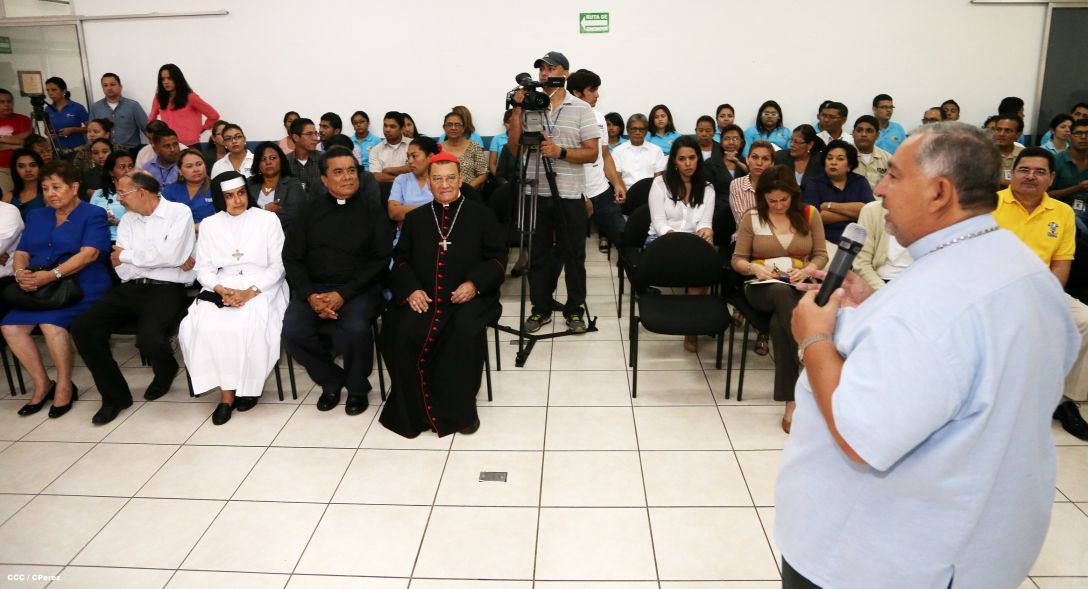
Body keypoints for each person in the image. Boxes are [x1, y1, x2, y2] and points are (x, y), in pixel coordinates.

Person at [778, 121, 1078, 589]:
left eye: (894, 175)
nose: (879, 188)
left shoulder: (933, 302)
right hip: (984, 541)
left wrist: (814, 339)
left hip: (879, 557)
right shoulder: (1022, 268)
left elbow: (861, 435)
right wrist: (874, 307)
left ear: (939, 192)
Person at [379, 153, 507, 437]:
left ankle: (461, 410)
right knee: (400, 330)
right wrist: (411, 289)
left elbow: (498, 258)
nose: (445, 184)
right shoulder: (416, 219)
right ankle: (412, 409)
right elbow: (401, 260)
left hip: (469, 297)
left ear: (460, 179)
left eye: (450, 178)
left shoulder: (482, 215)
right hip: (423, 296)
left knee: (462, 330)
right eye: (437, 179)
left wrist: (474, 283)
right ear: (430, 183)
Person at [72, 171, 196, 425]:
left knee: (149, 339)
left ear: (142, 192)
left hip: (167, 288)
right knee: (83, 327)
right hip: (131, 287)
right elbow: (121, 266)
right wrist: (153, 259)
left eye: (123, 194)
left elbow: (169, 256)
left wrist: (131, 256)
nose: (119, 200)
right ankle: (115, 397)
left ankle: (166, 367)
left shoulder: (178, 212)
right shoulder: (128, 220)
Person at [281, 146, 392, 415]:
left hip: (359, 289)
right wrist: (309, 295)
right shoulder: (308, 212)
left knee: (354, 328)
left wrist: (343, 293)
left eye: (352, 171)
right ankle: (331, 379)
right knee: (293, 332)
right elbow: (292, 258)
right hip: (314, 290)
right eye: (339, 172)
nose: (347, 177)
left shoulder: (372, 209)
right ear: (324, 179)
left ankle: (356, 387)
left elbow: (380, 258)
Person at [992, 147, 1088, 441]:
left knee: (1084, 319)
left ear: (1051, 178)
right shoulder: (989, 204)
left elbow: (1061, 262)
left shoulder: (1062, 212)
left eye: (1039, 172)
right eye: (1024, 170)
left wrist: (1045, 299)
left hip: (1043, 290)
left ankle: (1065, 400)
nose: (1031, 177)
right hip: (994, 292)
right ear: (1012, 174)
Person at [179, 171, 288, 425]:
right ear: (219, 198)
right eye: (229, 196)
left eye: (241, 193)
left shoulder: (267, 219)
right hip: (224, 285)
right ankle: (226, 394)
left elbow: (279, 265)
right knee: (203, 324)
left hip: (263, 284)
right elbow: (203, 269)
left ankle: (249, 386)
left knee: (246, 323)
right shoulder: (209, 225)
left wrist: (250, 292)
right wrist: (219, 288)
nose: (237, 201)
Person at [2, 160, 110, 418]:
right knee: (10, 326)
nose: (50, 193)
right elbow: (22, 251)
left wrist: (51, 275)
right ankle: (42, 384)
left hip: (83, 283)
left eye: (56, 187)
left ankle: (64, 385)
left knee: (51, 324)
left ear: (73, 187)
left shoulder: (92, 213)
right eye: (46, 188)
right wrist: (20, 274)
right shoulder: (37, 215)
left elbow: (88, 255)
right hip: (41, 284)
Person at [507, 51, 599, 334]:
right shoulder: (532, 104)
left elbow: (592, 153)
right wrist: (519, 109)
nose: (544, 74)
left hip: (570, 194)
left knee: (573, 256)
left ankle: (574, 311)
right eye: (541, 70)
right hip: (536, 193)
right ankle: (541, 309)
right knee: (539, 257)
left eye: (551, 68)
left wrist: (559, 152)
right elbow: (514, 149)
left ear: (565, 73)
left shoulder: (582, 109)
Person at [732, 165, 826, 432]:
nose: (777, 205)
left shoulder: (809, 215)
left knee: (778, 325)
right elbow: (737, 260)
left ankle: (791, 402)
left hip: (798, 284)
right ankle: (807, 350)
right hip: (762, 285)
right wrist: (754, 268)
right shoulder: (753, 217)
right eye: (771, 200)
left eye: (783, 200)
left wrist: (807, 270)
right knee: (779, 292)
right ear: (762, 198)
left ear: (793, 196)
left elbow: (820, 254)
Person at [646, 136, 716, 352]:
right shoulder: (660, 184)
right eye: (682, 159)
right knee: (696, 258)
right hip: (662, 240)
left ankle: (691, 328)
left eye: (692, 158)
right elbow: (659, 223)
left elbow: (705, 223)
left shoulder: (707, 188)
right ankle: (687, 320)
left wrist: (706, 231)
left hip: (694, 242)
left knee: (705, 260)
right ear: (674, 161)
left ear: (698, 159)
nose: (688, 163)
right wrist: (682, 242)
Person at [567, 68, 627, 252]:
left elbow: (605, 155)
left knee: (625, 239)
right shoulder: (566, 120)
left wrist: (616, 183)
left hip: (602, 190)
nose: (597, 94)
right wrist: (583, 196)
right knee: (571, 249)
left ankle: (640, 277)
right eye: (592, 90)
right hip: (577, 195)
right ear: (577, 93)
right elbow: (567, 163)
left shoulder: (599, 117)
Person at [804, 139, 874, 245]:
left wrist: (829, 206)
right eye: (829, 158)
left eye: (840, 159)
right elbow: (815, 217)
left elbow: (869, 212)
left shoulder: (859, 181)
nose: (833, 162)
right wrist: (856, 213)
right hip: (825, 240)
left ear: (849, 165)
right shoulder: (815, 183)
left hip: (859, 241)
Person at [147, 64, 219, 146]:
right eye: (162, 79)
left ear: (177, 79)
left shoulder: (190, 97)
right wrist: (154, 136)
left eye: (169, 78)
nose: (166, 82)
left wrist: (200, 129)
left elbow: (214, 115)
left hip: (190, 145)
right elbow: (151, 121)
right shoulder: (158, 98)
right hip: (169, 145)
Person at [852, 199, 912, 290]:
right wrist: (883, 292)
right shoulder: (872, 210)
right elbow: (861, 264)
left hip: (918, 283)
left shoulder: (933, 213)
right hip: (880, 283)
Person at [247, 141, 306, 230]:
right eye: (263, 159)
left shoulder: (293, 184)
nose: (268, 162)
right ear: (258, 164)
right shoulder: (249, 183)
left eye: (273, 158)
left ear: (281, 161)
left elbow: (292, 215)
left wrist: (256, 221)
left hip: (283, 236)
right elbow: (242, 212)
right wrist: (264, 208)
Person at [89, 73, 148, 154]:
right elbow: (91, 132)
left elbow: (147, 129)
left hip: (130, 152)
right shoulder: (95, 107)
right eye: (105, 85)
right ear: (102, 88)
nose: (109, 88)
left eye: (112, 84)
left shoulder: (133, 106)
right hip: (106, 154)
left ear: (120, 86)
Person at [388, 136, 438, 229]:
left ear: (430, 157)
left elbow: (445, 212)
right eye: (408, 156)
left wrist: (406, 215)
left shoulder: (441, 180)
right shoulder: (401, 180)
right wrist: (432, 209)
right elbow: (393, 212)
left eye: (414, 156)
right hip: (406, 237)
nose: (410, 161)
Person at [728, 141, 776, 231]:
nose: (759, 163)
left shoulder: (778, 186)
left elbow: (780, 220)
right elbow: (742, 221)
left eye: (765, 159)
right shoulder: (737, 184)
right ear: (747, 159)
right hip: (745, 237)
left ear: (772, 163)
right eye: (755, 157)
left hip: (774, 237)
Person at [1050, 118, 1088, 232]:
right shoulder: (1056, 160)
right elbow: (1046, 194)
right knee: (1076, 224)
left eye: (1087, 134)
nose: (1084, 137)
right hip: (1063, 209)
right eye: (1079, 133)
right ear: (1070, 137)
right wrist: (1077, 188)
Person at [88, 150, 134, 242]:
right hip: (102, 239)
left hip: (130, 239)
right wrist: (104, 221)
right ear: (111, 172)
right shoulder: (98, 194)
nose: (127, 171)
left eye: (130, 166)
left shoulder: (139, 191)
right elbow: (90, 220)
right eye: (122, 167)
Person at [162, 148, 215, 227]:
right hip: (176, 236)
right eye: (189, 166)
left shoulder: (216, 188)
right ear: (179, 170)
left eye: (199, 164)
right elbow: (163, 221)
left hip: (208, 235)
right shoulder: (169, 191)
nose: (196, 169)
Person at [611, 113, 667, 189]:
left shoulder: (656, 151)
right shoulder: (618, 151)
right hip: (626, 191)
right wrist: (625, 194)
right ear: (627, 130)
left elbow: (659, 178)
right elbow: (617, 176)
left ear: (646, 131)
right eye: (634, 129)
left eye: (641, 129)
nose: (637, 132)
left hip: (650, 192)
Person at [438, 111, 487, 190]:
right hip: (444, 190)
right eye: (449, 124)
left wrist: (467, 188)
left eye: (457, 124)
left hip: (470, 191)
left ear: (463, 128)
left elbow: (483, 174)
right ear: (444, 128)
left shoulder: (474, 146)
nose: (453, 128)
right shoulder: (438, 148)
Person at [44, 77, 88, 161]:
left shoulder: (77, 107)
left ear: (63, 91)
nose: (50, 93)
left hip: (77, 151)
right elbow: (47, 130)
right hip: (57, 153)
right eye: (48, 90)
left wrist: (73, 130)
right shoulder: (47, 109)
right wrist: (49, 133)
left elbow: (90, 128)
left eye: (53, 90)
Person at [773, 124, 825, 191]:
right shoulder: (779, 157)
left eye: (797, 142)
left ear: (810, 144)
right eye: (791, 140)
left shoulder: (820, 161)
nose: (792, 144)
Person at [0, 88, 32, 195]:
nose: (6, 105)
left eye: (9, 101)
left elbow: (25, 141)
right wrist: (14, 146)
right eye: (2, 102)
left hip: (24, 166)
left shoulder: (23, 119)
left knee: (26, 195)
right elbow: (19, 142)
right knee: (9, 197)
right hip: (2, 169)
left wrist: (2, 139)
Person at [286, 117, 324, 199]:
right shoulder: (285, 162)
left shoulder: (324, 159)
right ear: (296, 137)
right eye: (309, 134)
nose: (315, 138)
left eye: (315, 133)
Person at [705, 124, 748, 195]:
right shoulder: (710, 163)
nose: (731, 142)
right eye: (727, 138)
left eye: (735, 139)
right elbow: (708, 192)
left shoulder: (746, 162)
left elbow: (754, 179)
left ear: (741, 143)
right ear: (721, 143)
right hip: (719, 205)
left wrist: (739, 163)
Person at [369, 111, 410, 183]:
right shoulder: (376, 150)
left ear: (402, 129)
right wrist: (402, 180)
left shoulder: (413, 145)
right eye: (385, 125)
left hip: (410, 189)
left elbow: (415, 169)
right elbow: (376, 176)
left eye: (392, 126)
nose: (387, 130)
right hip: (385, 189)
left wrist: (387, 170)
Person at [851, 115, 891, 189]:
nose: (864, 134)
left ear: (877, 135)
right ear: (853, 133)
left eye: (869, 131)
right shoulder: (844, 156)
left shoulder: (887, 158)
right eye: (859, 130)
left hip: (879, 200)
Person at [3, 149, 45, 218]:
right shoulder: (8, 197)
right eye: (21, 166)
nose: (28, 170)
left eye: (33, 165)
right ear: (15, 169)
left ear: (40, 167)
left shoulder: (49, 194)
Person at [993, 113, 1025, 187]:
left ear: (1018, 134)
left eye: (1008, 131)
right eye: (998, 129)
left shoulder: (1024, 155)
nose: (1001, 134)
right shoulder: (982, 153)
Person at [487, 110, 512, 175]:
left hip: (519, 175)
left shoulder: (523, 139)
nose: (512, 125)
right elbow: (492, 165)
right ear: (504, 123)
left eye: (514, 122)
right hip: (501, 175)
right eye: (509, 122)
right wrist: (500, 178)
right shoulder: (497, 139)